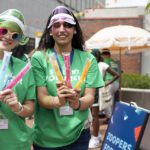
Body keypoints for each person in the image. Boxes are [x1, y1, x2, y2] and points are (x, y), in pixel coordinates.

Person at [31, 6, 104, 150]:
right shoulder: (39, 58)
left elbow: (89, 97)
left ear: (75, 30)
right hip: (46, 138)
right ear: (50, 31)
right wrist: (58, 101)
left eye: (68, 25)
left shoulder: (88, 59)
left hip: (78, 136)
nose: (62, 29)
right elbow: (41, 97)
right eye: (56, 25)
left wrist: (77, 102)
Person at [0, 9, 36, 150]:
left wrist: (18, 107)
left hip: (16, 143)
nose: (8, 36)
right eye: (3, 31)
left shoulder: (24, 68)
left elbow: (30, 109)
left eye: (15, 35)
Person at [89, 49, 120, 149]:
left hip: (97, 93)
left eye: (94, 55)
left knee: (94, 116)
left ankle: (95, 139)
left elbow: (116, 75)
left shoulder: (102, 64)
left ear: (97, 56)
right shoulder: (88, 64)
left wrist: (107, 83)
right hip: (87, 92)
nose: (92, 57)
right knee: (89, 116)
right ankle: (97, 135)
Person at [101, 48, 120, 119]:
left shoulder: (105, 61)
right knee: (111, 101)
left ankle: (109, 117)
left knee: (107, 101)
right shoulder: (114, 62)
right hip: (116, 83)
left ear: (103, 55)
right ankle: (112, 116)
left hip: (109, 82)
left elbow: (104, 73)